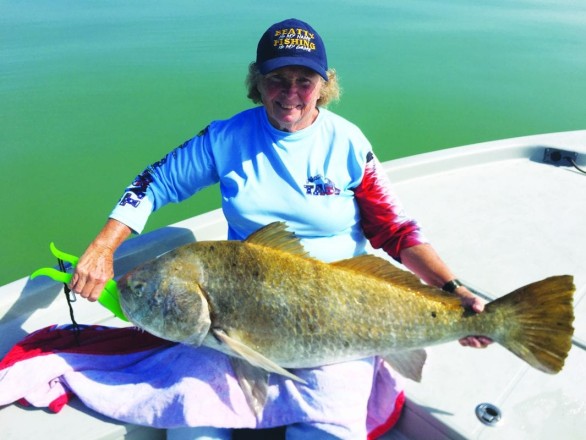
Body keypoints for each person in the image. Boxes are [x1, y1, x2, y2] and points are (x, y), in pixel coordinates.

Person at [69, 18, 491, 439]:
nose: (291, 93)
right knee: (192, 429)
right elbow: (155, 182)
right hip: (237, 304)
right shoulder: (226, 137)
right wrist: (104, 246)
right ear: (257, 83)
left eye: (304, 81)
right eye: (278, 79)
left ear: (324, 85)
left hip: (340, 314)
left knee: (328, 433)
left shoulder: (348, 143)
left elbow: (395, 230)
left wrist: (453, 289)